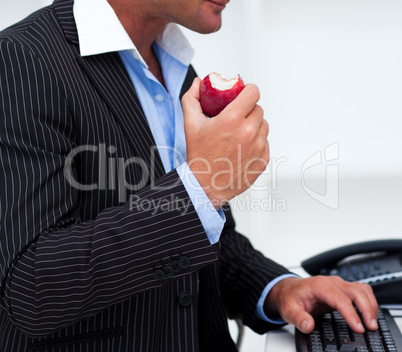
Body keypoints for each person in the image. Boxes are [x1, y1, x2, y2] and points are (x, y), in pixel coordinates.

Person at [0, 0, 378, 351]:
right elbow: (31, 287)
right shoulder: (22, 60)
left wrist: (278, 289)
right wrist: (202, 186)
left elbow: (202, 240)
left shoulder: (172, 64)